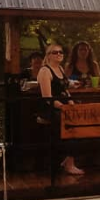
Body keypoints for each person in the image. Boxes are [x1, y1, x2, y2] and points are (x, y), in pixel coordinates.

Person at [37, 43, 83, 176]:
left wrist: (70, 102)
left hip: (63, 106)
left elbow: (65, 90)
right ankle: (69, 164)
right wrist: (63, 107)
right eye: (55, 52)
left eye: (61, 52)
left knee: (79, 119)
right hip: (50, 108)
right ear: (48, 55)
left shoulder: (61, 69)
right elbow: (47, 97)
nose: (59, 54)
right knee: (69, 124)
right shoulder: (45, 71)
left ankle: (68, 159)